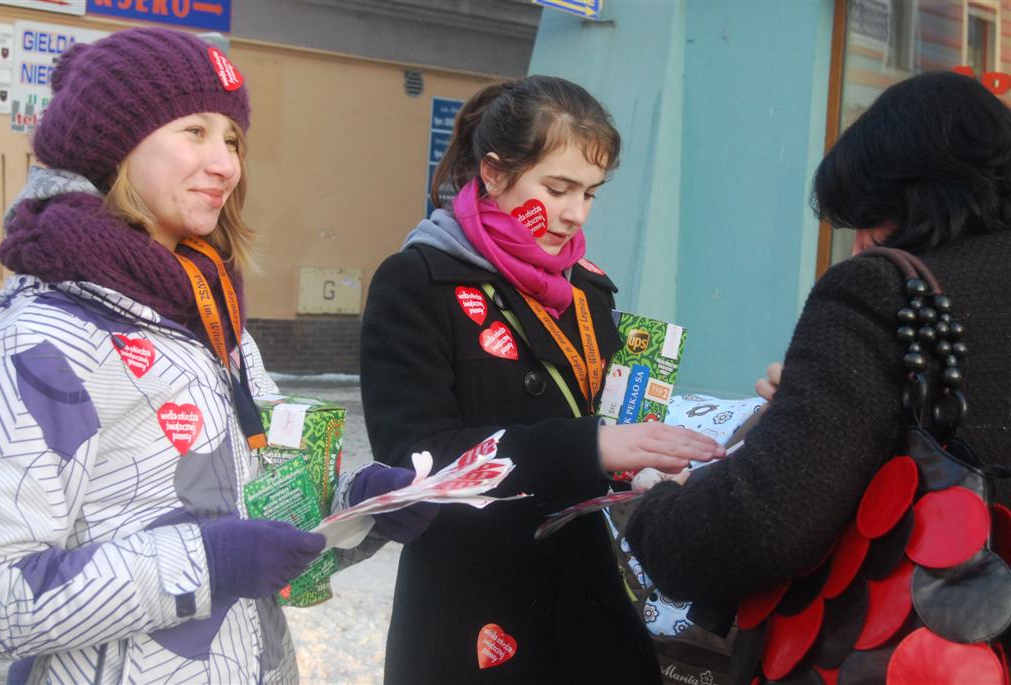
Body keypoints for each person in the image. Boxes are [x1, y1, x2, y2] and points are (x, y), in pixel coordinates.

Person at [0, 28, 432, 685]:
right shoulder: (43, 341)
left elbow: (250, 522)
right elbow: (1, 599)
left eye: (232, 139)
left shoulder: (210, 315)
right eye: (194, 131)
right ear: (112, 146)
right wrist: (207, 562)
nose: (226, 164)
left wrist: (357, 514)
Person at [360, 75, 725, 684]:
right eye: (557, 189)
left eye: (590, 193)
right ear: (496, 173)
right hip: (474, 608)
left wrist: (650, 455)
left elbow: (601, 411)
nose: (574, 214)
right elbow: (412, 460)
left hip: (586, 602)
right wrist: (590, 444)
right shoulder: (417, 281)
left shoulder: (587, 285)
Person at [625, 71, 1011, 611]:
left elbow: (759, 526)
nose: (857, 248)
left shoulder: (882, 288)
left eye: (865, 219)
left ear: (903, 198)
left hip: (930, 643)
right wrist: (827, 409)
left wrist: (653, 508)